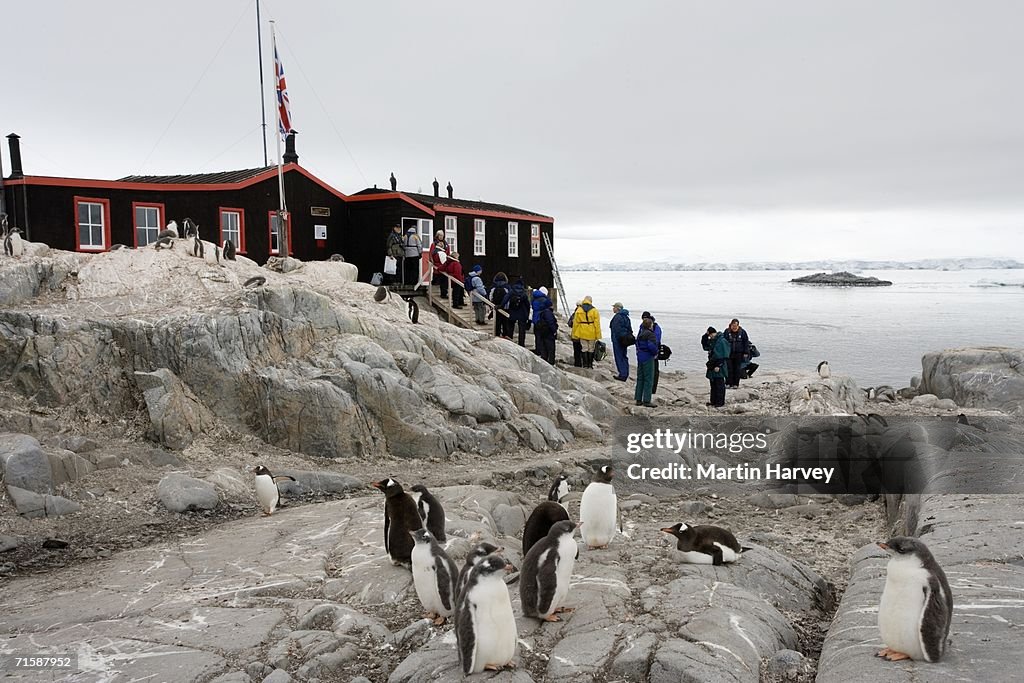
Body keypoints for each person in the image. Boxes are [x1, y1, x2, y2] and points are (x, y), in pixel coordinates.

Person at [635, 318, 659, 407]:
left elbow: (637, 344)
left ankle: (638, 399)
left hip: (640, 356)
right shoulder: (650, 334)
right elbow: (651, 346)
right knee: (648, 379)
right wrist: (655, 353)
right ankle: (646, 400)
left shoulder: (641, 333)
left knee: (640, 378)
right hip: (648, 357)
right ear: (650, 325)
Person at [572, 296, 601, 369]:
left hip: (582, 331)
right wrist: (598, 335)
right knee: (591, 348)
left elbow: (575, 323)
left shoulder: (579, 310)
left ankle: (585, 365)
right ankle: (590, 365)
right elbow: (597, 324)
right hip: (592, 332)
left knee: (584, 348)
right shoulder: (594, 310)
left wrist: (574, 334)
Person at [502, 278, 531, 346]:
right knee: (522, 331)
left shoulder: (512, 291)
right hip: (522, 313)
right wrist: (527, 314)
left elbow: (505, 298)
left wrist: (500, 306)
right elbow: (527, 305)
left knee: (510, 328)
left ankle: (510, 343)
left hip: (513, 312)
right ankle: (521, 344)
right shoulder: (524, 293)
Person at [706, 328, 731, 407]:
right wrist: (706, 335)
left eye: (710, 335)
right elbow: (705, 345)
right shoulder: (714, 340)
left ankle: (720, 402)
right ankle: (713, 401)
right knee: (713, 384)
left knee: (719, 384)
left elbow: (724, 355)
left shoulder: (722, 341)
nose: (710, 337)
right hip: (713, 363)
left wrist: (718, 365)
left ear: (714, 333)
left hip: (719, 365)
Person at [723, 318, 750, 388]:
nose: (734, 328)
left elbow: (746, 342)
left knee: (737, 369)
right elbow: (723, 342)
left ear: (738, 326)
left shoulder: (743, 332)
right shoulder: (726, 332)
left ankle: (736, 384)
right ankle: (728, 383)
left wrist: (746, 352)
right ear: (730, 325)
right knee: (729, 368)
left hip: (739, 353)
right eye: (733, 326)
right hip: (729, 353)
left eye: (736, 326)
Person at [609, 302, 633, 381]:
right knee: (624, 356)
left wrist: (618, 338)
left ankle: (622, 374)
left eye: (614, 307)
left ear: (618, 308)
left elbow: (616, 329)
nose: (613, 309)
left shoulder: (617, 317)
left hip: (618, 340)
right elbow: (630, 329)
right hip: (625, 340)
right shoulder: (626, 317)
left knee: (619, 357)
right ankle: (625, 373)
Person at [642, 311, 663, 394]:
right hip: (646, 352)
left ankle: (653, 389)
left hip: (653, 351)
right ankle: (647, 388)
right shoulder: (643, 326)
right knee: (647, 371)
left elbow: (656, 340)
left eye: (645, 318)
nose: (644, 319)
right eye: (643, 318)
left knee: (654, 371)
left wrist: (655, 352)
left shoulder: (656, 327)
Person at [429, 230, 451, 300]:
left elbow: (448, 253)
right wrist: (432, 262)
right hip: (437, 264)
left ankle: (443, 291)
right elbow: (431, 254)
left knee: (442, 278)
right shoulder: (434, 244)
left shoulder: (446, 244)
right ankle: (435, 286)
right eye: (440, 235)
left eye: (442, 235)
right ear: (437, 236)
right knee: (437, 276)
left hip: (443, 264)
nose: (441, 237)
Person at [536, 298, 558, 365]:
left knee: (544, 348)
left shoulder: (542, 312)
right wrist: (554, 331)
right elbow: (550, 322)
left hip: (543, 332)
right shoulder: (548, 312)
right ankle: (551, 363)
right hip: (549, 333)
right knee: (551, 349)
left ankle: (544, 362)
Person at [489, 272, 511, 338]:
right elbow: (509, 297)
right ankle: (505, 334)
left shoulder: (493, 286)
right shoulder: (507, 287)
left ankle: (497, 334)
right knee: (505, 322)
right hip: (505, 307)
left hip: (496, 307)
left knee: (497, 322)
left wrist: (492, 304)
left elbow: (490, 296)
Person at [532, 287, 550, 355]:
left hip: (535, 319)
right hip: (541, 320)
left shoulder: (534, 298)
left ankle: (537, 350)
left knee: (537, 336)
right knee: (542, 337)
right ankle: (542, 351)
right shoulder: (544, 300)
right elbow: (549, 305)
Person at [569, 300, 584, 367]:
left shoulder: (574, 314)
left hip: (575, 334)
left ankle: (577, 364)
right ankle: (584, 363)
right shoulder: (585, 313)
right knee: (583, 350)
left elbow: (569, 323)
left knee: (576, 350)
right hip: (583, 334)